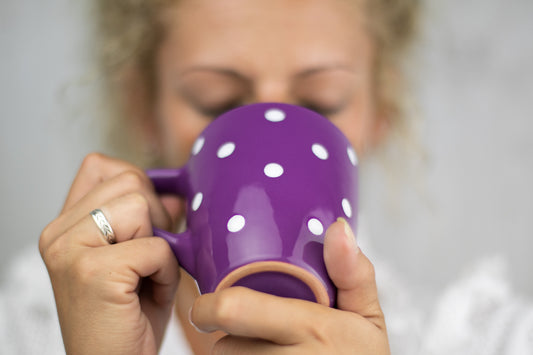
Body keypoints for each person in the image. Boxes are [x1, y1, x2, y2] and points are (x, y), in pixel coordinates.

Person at [4, 0, 528, 354]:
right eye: (219, 101)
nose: (269, 137)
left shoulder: (484, 338)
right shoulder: (32, 327)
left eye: (321, 102)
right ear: (145, 108)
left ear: (379, 112)